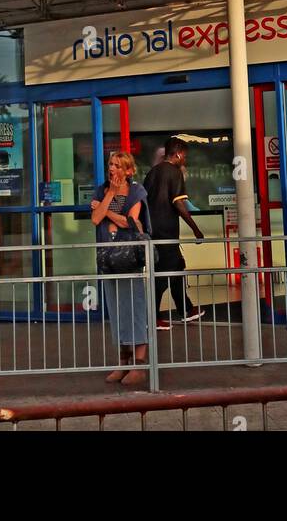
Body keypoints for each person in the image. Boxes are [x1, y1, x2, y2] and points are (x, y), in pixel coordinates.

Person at [91, 150, 150, 388]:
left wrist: (109, 212)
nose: (112, 168)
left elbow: (130, 222)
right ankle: (123, 361)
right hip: (108, 258)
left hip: (130, 257)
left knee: (134, 307)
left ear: (128, 170)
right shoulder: (102, 190)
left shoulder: (137, 191)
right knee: (116, 310)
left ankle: (139, 364)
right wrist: (110, 197)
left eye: (117, 165)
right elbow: (96, 218)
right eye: (110, 164)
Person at [143, 136, 205, 330]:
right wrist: (196, 229)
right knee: (162, 277)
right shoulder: (174, 172)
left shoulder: (152, 173)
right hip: (166, 233)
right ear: (178, 154)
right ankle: (153, 317)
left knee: (177, 267)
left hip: (153, 232)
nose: (185, 160)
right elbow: (179, 203)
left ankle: (186, 309)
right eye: (184, 156)